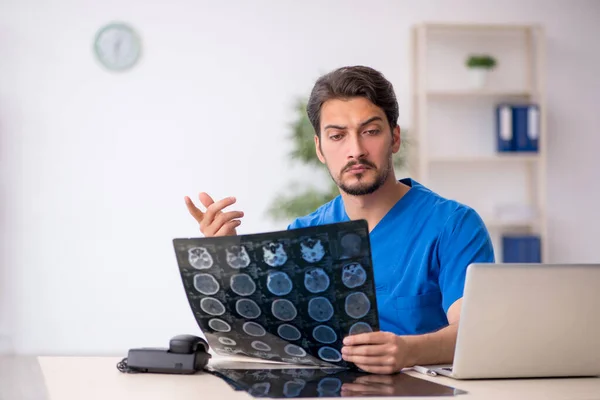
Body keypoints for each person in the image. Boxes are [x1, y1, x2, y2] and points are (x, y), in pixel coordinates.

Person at [184, 65, 495, 374]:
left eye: (370, 132)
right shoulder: (305, 234)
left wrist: (409, 351)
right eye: (337, 136)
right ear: (319, 147)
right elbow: (264, 339)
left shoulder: (454, 226)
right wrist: (223, 261)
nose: (355, 151)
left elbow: (473, 332)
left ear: (395, 138)